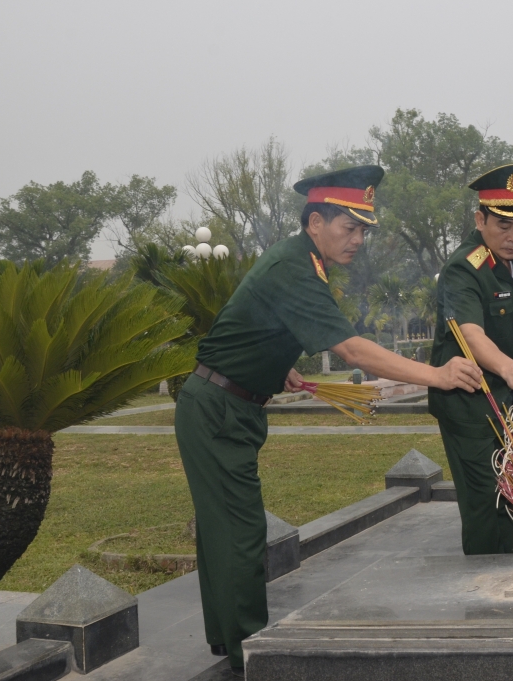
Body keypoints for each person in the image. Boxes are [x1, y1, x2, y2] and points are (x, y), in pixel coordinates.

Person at [176, 165, 481, 676]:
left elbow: (247, 320)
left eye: (364, 229)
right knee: (240, 531)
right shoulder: (295, 267)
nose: (358, 239)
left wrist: (278, 365)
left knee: (222, 529)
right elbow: (351, 348)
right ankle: (251, 653)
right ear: (315, 221)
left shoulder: (299, 262)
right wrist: (437, 374)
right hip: (217, 411)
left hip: (227, 403)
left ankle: (227, 640)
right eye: (349, 226)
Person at [429, 163, 513, 556]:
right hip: (466, 400)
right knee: (486, 496)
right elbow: (471, 332)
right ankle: (484, 584)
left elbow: (508, 310)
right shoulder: (462, 268)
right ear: (479, 219)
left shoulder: (511, 256)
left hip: (502, 394)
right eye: (504, 226)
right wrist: (512, 367)